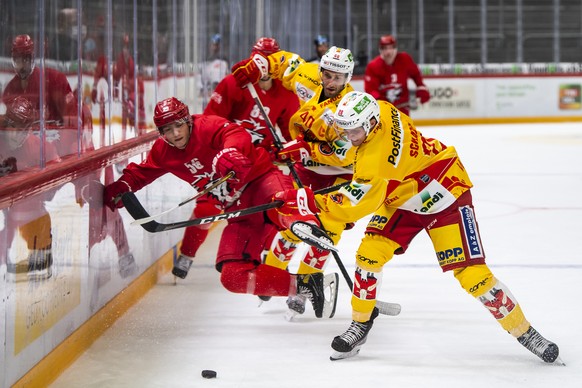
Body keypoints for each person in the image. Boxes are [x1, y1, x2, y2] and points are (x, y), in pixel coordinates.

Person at [280, 90, 560, 363]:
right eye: (347, 130)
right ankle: (361, 323)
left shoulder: (374, 163)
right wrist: (311, 152)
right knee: (369, 255)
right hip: (405, 193)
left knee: (472, 275)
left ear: (370, 124)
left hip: (444, 195)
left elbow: (355, 205)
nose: (349, 138)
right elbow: (348, 156)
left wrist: (308, 203)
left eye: (353, 131)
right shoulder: (384, 110)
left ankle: (525, 332)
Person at [102, 97, 339, 319]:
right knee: (232, 276)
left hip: (261, 182)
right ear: (161, 133)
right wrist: (124, 184)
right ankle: (307, 285)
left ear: (187, 121)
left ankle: (306, 224)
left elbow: (236, 134)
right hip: (238, 211)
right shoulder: (163, 152)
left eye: (178, 126)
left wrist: (231, 151)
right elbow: (143, 171)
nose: (175, 134)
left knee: (283, 201)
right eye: (167, 130)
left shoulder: (207, 126)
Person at [231, 45, 356, 317]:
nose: (331, 82)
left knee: (327, 232)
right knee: (294, 224)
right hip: (308, 168)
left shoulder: (353, 107)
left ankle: (304, 287)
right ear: (321, 70)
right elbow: (282, 61)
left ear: (348, 78)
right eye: (327, 74)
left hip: (340, 173)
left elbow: (349, 153)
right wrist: (258, 66)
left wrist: (305, 149)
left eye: (338, 77)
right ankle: (272, 275)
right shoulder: (308, 76)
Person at [169, 37, 300, 282]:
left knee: (273, 205)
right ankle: (187, 254)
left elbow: (290, 129)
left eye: (269, 62)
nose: (264, 68)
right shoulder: (233, 84)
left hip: (259, 161)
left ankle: (266, 261)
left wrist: (288, 149)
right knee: (208, 208)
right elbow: (210, 122)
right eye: (259, 61)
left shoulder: (286, 91)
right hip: (228, 160)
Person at [0, 96, 60, 282]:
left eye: (23, 130)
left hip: (16, 206)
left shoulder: (38, 148)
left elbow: (58, 171)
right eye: (14, 129)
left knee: (30, 207)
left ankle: (40, 254)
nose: (17, 135)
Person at [3, 34, 80, 157]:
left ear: (32, 58)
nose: (22, 65)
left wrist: (59, 150)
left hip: (56, 154)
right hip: (30, 155)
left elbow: (73, 120)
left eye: (26, 59)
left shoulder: (55, 81)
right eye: (18, 60)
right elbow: (11, 134)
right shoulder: (10, 90)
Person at [364, 35, 430, 116]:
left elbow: (416, 75)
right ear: (380, 50)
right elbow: (371, 90)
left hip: (403, 108)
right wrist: (382, 103)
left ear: (396, 49)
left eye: (391, 48)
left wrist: (421, 88)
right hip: (383, 110)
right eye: (385, 48)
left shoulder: (405, 59)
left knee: (404, 127)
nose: (388, 52)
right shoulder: (373, 66)